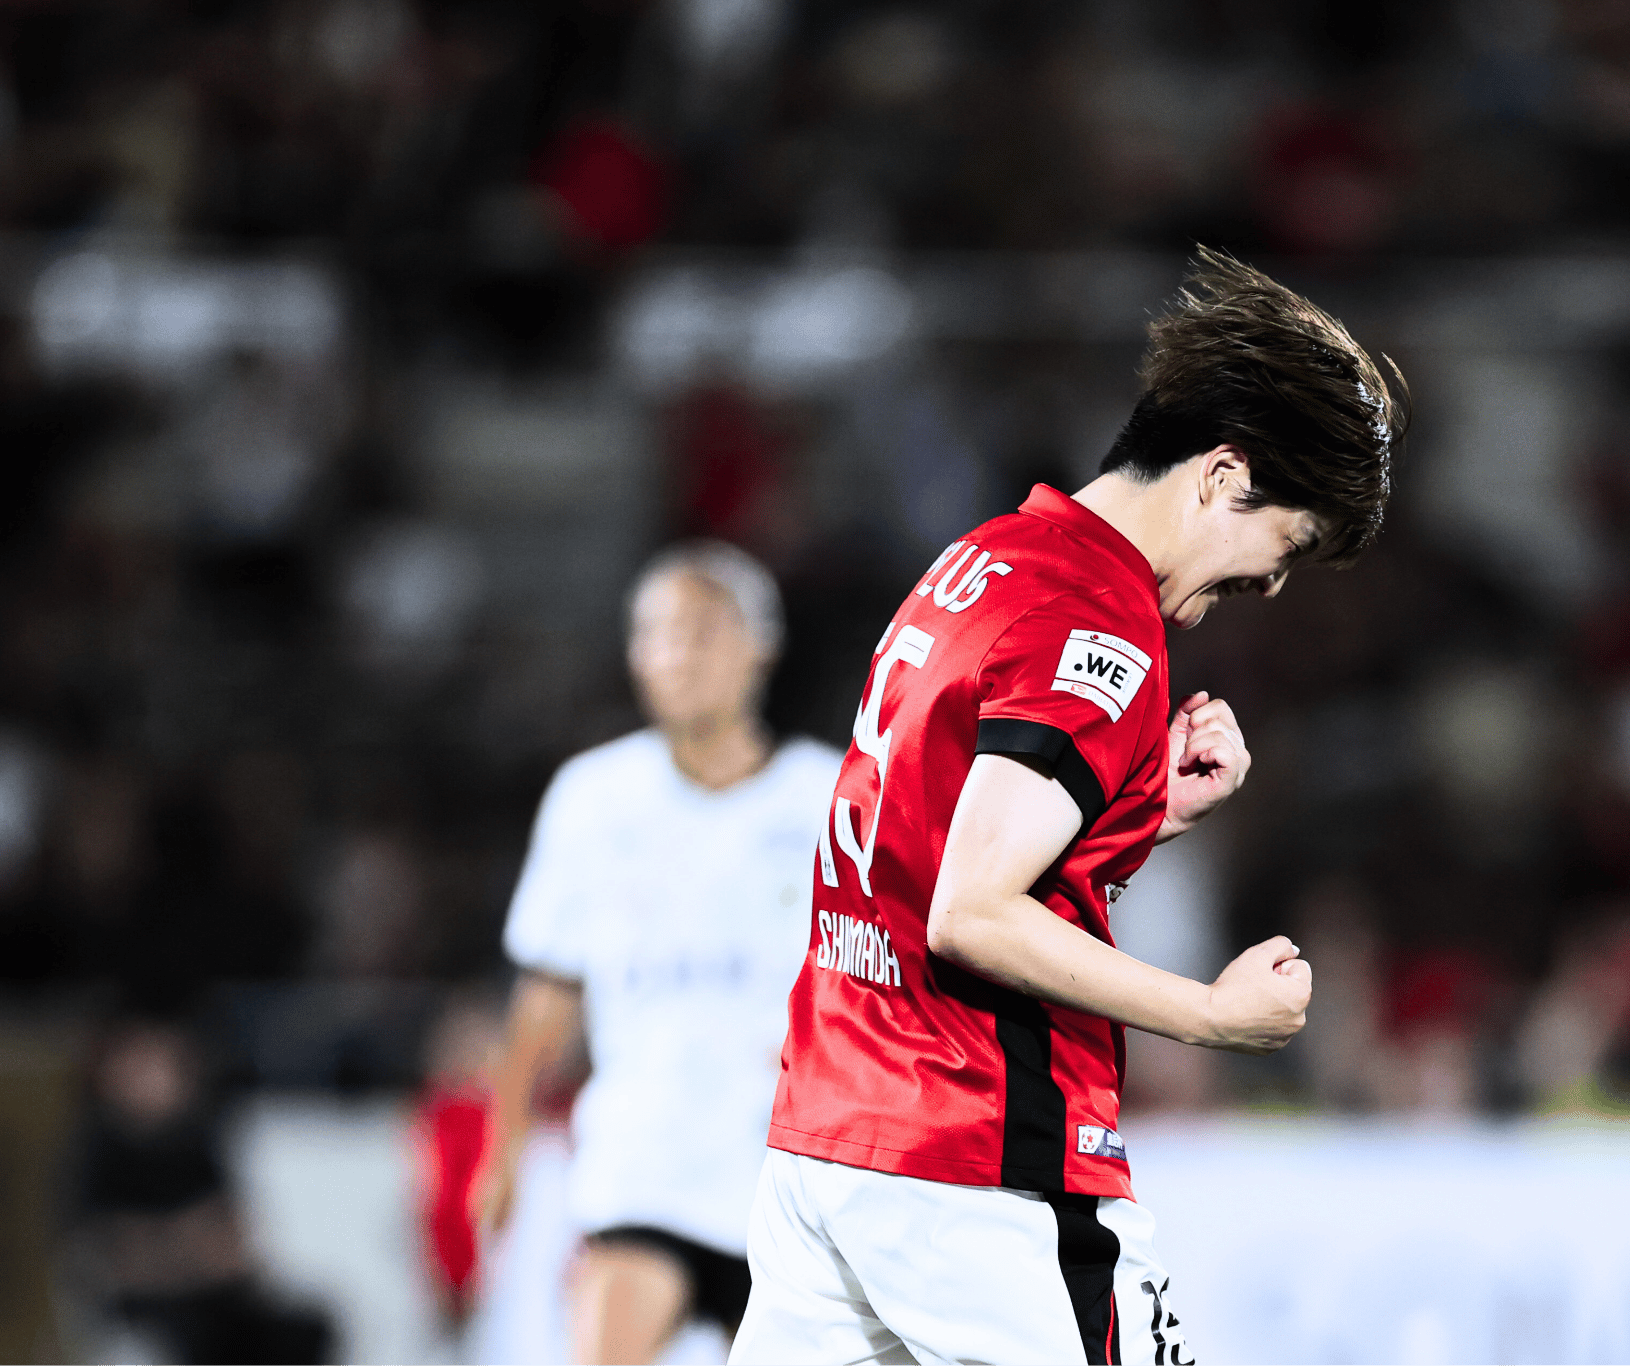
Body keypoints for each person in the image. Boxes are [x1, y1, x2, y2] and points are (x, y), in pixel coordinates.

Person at [731, 247, 1409, 1366]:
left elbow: (933, 838)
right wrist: (1208, 1014)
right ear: (1220, 476)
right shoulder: (1097, 622)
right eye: (1285, 544)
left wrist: (1138, 812)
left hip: (834, 1135)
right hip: (979, 1160)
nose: (1271, 584)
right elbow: (972, 912)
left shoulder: (985, 559)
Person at [481, 542, 841, 1363]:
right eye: (658, 633)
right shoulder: (591, 797)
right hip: (643, 1162)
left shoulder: (829, 797)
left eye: (704, 631)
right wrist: (502, 1146)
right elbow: (546, 995)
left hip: (789, 1169)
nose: (678, 654)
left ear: (761, 646)